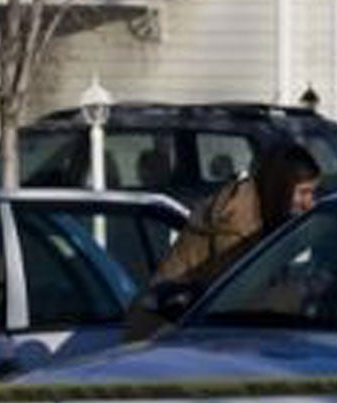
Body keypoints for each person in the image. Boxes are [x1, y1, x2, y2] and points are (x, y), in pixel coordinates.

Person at [125, 141, 322, 338]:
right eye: (303, 192)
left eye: (312, 193)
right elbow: (235, 299)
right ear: (280, 188)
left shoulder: (263, 210)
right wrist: (299, 293)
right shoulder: (237, 222)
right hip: (163, 329)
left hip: (188, 328)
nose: (309, 203)